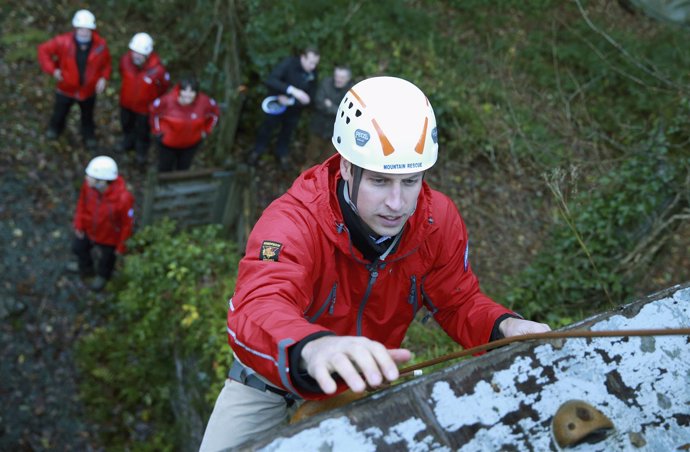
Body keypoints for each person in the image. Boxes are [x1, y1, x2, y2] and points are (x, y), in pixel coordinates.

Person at [199, 76, 551, 451]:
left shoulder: (436, 222)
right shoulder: (293, 222)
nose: (397, 204)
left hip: (360, 384)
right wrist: (313, 348)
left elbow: (458, 301)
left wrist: (504, 327)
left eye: (411, 181)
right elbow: (259, 305)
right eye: (381, 182)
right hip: (272, 379)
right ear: (348, 168)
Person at [37, 9, 112, 150]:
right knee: (59, 112)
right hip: (66, 88)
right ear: (75, 28)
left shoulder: (100, 45)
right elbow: (43, 51)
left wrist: (103, 78)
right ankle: (54, 130)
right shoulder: (62, 42)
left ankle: (88, 136)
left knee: (87, 116)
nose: (84, 32)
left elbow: (106, 64)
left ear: (92, 29)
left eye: (87, 29)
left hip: (88, 90)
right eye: (81, 29)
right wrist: (53, 70)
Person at [67, 156, 134, 292]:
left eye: (90, 176)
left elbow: (127, 224)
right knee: (79, 248)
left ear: (102, 181)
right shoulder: (88, 187)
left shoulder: (123, 199)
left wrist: (121, 247)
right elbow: (82, 203)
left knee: (107, 260)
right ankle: (86, 268)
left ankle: (103, 276)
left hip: (109, 237)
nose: (86, 178)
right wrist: (79, 224)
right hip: (89, 229)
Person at [248, 46, 320, 170]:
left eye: (315, 63)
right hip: (275, 104)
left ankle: (281, 154)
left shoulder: (313, 73)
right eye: (311, 62)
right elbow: (271, 80)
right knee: (266, 128)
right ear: (303, 57)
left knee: (287, 132)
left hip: (294, 110)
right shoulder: (289, 63)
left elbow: (310, 97)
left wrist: (291, 101)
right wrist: (292, 90)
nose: (313, 66)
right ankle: (257, 151)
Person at [118, 32, 170, 167]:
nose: (136, 56)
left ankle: (141, 151)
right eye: (134, 52)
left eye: (140, 53)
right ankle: (128, 142)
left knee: (143, 131)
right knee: (126, 124)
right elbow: (122, 73)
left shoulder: (158, 70)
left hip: (144, 109)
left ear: (148, 54)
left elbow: (164, 87)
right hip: (126, 103)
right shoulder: (125, 60)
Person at [149, 76, 220, 172]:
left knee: (183, 169)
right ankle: (162, 185)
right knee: (165, 168)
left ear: (196, 93)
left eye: (191, 92)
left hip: (190, 145)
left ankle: (179, 185)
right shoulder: (167, 101)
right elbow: (154, 113)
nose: (188, 95)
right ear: (179, 90)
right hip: (168, 145)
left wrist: (206, 130)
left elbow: (215, 113)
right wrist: (157, 131)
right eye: (185, 91)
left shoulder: (204, 102)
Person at [305, 65, 353, 166]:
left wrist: (330, 106)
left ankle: (321, 179)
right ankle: (304, 176)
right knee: (311, 155)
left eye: (342, 77)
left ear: (348, 78)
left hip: (336, 132)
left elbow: (347, 113)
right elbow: (318, 102)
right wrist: (337, 109)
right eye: (337, 76)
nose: (339, 79)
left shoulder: (351, 91)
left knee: (327, 159)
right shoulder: (325, 83)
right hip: (318, 126)